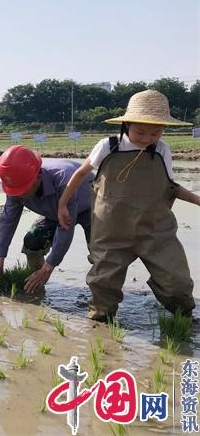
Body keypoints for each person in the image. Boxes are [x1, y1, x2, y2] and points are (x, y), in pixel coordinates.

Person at [58, 89, 199, 321]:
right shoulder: (109, 146)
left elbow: (170, 186)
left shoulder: (162, 149)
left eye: (155, 132)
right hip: (111, 232)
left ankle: (183, 320)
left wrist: (196, 200)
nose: (146, 138)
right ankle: (100, 329)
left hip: (155, 231)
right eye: (140, 131)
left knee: (177, 282)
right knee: (103, 286)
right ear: (126, 125)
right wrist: (63, 203)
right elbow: (81, 173)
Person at [0, 145, 93, 293]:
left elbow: (65, 228)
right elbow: (7, 221)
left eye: (24, 190)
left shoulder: (64, 179)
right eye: (16, 191)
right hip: (53, 212)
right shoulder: (15, 184)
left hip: (91, 207)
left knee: (101, 254)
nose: (19, 195)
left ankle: (99, 299)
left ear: (38, 176)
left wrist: (49, 266)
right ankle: (34, 286)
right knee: (33, 241)